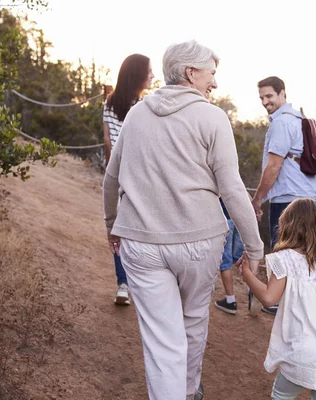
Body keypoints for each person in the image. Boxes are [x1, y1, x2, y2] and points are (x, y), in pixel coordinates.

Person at [103, 40, 263, 400]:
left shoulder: (136, 115)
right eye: (212, 74)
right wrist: (254, 247)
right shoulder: (213, 117)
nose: (215, 83)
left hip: (140, 243)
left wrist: (111, 224)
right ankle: (189, 391)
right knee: (192, 321)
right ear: (191, 73)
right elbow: (232, 190)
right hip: (199, 243)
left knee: (162, 340)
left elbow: (111, 178)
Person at [239, 198, 316, 399]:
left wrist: (247, 275)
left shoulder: (283, 259)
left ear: (288, 225)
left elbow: (269, 298)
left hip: (300, 353)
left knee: (281, 396)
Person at [251, 76, 316, 315]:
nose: (265, 101)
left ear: (283, 94)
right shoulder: (300, 118)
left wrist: (258, 197)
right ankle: (307, 304)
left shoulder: (282, 122)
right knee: (309, 250)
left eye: (269, 96)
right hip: (312, 195)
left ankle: (278, 302)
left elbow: (274, 166)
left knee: (282, 250)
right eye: (262, 97)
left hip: (289, 197)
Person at [103, 53, 155, 305]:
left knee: (119, 227)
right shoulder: (143, 107)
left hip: (119, 174)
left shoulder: (109, 103)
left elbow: (107, 142)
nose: (153, 75)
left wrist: (112, 172)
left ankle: (122, 284)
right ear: (138, 74)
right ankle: (141, 283)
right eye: (149, 71)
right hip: (140, 175)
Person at [213, 199, 245, 315]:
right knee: (241, 258)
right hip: (240, 218)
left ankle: (230, 301)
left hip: (224, 219)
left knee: (225, 262)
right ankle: (253, 292)